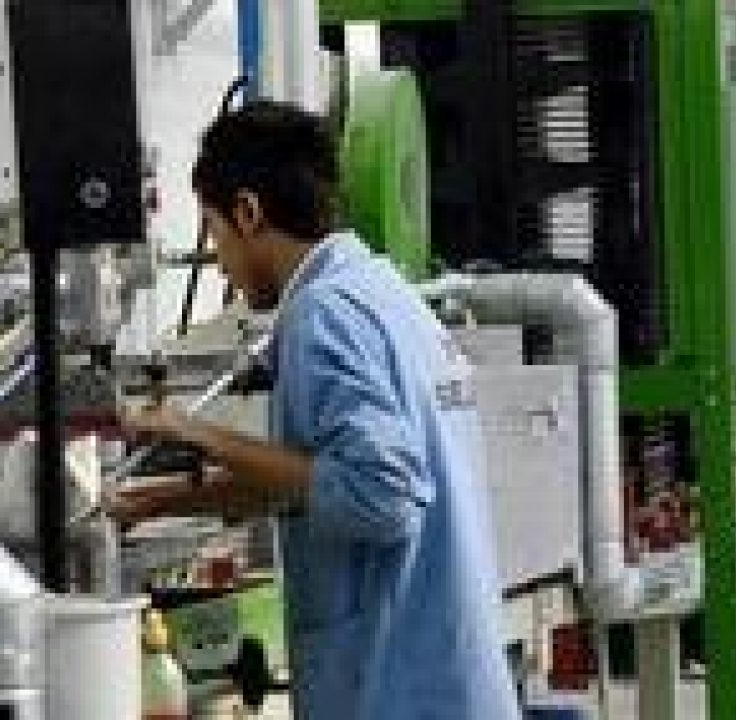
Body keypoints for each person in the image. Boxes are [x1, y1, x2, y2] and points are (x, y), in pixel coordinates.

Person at [113, 101, 521, 719]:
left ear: (248, 213)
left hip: (394, 689)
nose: (218, 262)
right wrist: (154, 504)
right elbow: (312, 482)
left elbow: (381, 497)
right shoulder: (384, 293)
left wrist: (199, 434)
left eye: (214, 231)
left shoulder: (323, 313)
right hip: (443, 679)